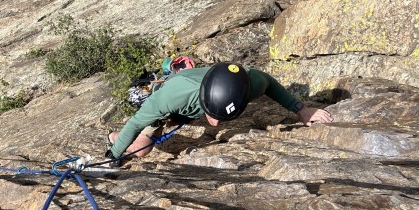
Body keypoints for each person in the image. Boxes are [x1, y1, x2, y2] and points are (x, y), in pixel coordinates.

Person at [105, 62, 333, 167]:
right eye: (210, 114)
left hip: (201, 92)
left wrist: (301, 110)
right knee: (141, 151)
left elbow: (269, 82)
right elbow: (135, 123)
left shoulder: (248, 83)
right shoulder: (167, 99)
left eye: (220, 117)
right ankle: (115, 138)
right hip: (174, 98)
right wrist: (112, 155)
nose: (213, 123)